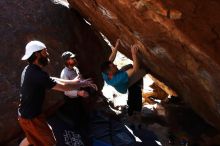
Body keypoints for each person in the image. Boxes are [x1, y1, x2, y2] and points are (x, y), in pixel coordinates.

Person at [18, 40, 97, 146]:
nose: (47, 54)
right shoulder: (37, 75)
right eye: (45, 52)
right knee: (51, 143)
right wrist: (81, 84)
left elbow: (52, 79)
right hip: (31, 118)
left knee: (32, 138)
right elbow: (64, 87)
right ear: (37, 54)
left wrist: (74, 82)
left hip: (26, 115)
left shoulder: (30, 69)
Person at [101, 39, 145, 115]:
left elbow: (110, 60)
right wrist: (134, 53)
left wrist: (117, 46)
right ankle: (134, 112)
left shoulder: (105, 72)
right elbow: (135, 69)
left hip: (119, 78)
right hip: (124, 86)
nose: (116, 65)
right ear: (110, 73)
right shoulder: (119, 78)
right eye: (114, 67)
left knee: (128, 66)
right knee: (143, 71)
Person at [59, 51, 92, 145]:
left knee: (83, 113)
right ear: (66, 61)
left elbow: (79, 80)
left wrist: (86, 83)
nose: (74, 59)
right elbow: (66, 90)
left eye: (74, 58)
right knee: (76, 116)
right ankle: (80, 137)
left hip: (78, 96)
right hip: (71, 99)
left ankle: (87, 132)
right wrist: (78, 92)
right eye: (71, 58)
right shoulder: (64, 73)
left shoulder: (75, 69)